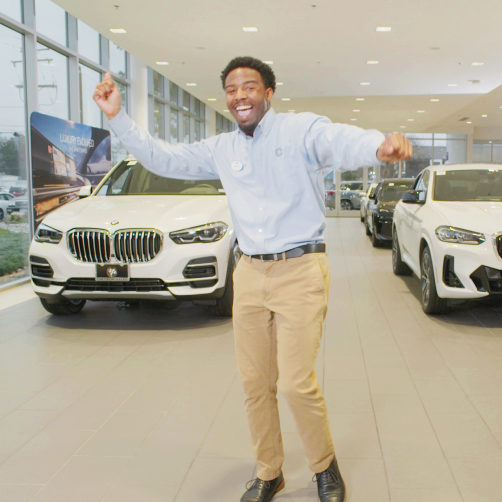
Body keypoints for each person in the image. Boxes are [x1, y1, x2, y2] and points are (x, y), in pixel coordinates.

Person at [94, 56, 412, 502]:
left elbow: (339, 140)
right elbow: (164, 158)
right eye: (231, 89)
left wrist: (378, 146)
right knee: (254, 384)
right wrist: (118, 118)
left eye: (249, 87)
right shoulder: (222, 148)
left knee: (296, 383)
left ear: (268, 92)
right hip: (248, 273)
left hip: (301, 270)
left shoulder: (300, 130)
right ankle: (270, 471)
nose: (239, 95)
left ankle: (324, 466)